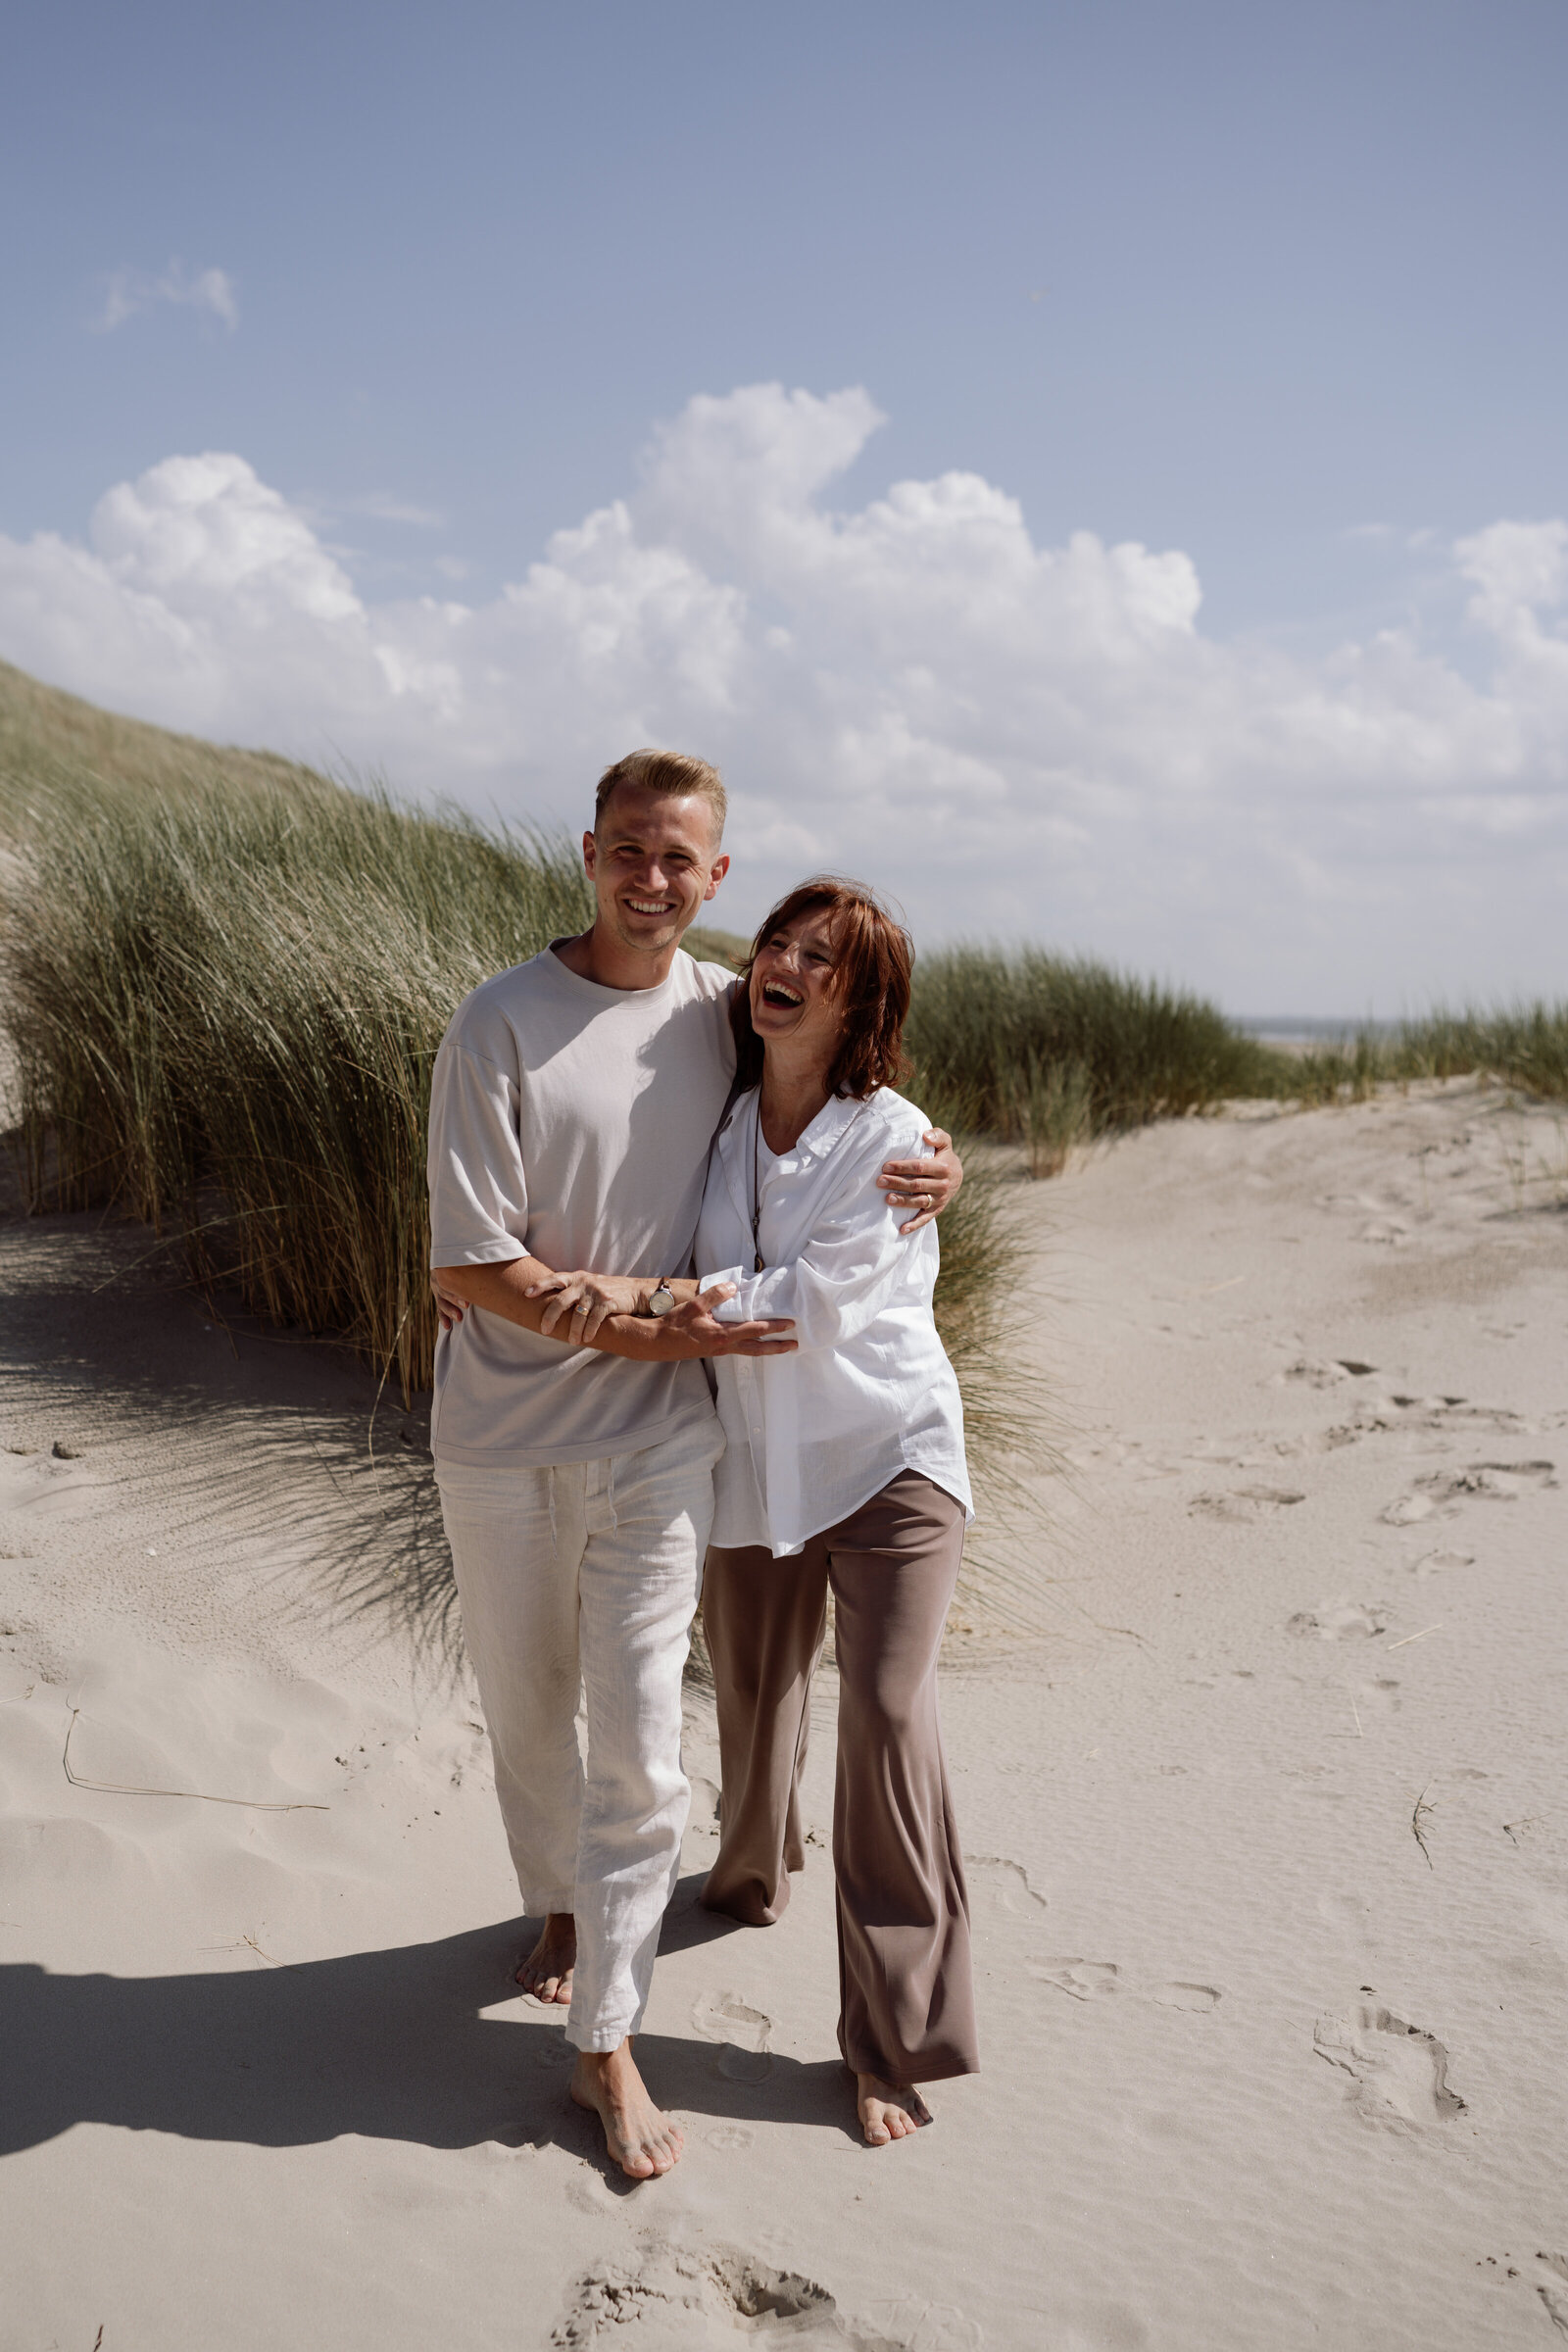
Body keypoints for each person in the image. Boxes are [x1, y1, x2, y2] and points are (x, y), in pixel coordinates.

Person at [426, 750, 963, 2182]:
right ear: (590, 851)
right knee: (531, 1714)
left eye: (684, 863)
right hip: (510, 1442)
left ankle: (613, 2037)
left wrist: (942, 1166)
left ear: (710, 876)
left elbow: (856, 1101)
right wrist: (551, 1294)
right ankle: (563, 1902)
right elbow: (468, 1259)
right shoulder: (501, 1023)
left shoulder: (726, 1010)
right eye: (631, 853)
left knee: (652, 1753)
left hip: (684, 1443)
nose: (654, 881)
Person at [536, 876, 979, 2150]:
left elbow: (798, 1309)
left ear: (864, 1004)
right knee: (749, 1689)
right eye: (778, 941)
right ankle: (747, 1870)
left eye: (823, 958)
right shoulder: (724, 1119)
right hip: (752, 1464)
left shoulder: (896, 1142)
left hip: (890, 1461)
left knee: (888, 1718)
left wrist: (613, 1296)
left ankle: (894, 2040)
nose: (784, 962)